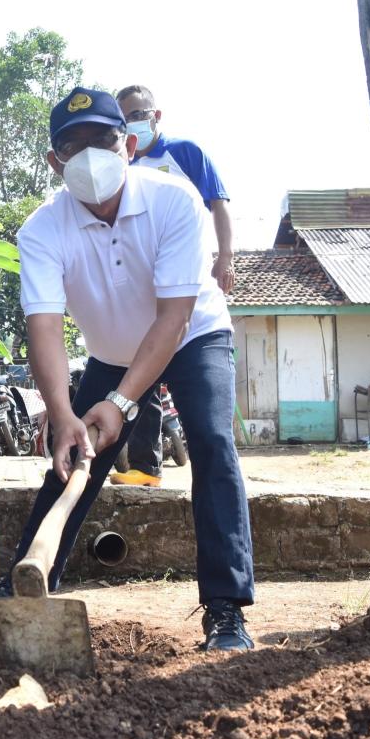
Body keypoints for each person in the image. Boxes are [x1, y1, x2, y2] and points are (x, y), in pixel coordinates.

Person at [0, 87, 256, 651]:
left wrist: (121, 403)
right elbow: (45, 329)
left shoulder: (175, 201)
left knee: (212, 442)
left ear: (127, 144)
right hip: (111, 352)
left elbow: (173, 318)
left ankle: (226, 609)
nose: (88, 158)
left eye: (101, 141)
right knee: (73, 451)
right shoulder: (41, 230)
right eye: (70, 148)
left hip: (193, 336)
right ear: (55, 163)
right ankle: (24, 583)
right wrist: (61, 413)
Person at [111, 84, 234, 487]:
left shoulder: (184, 153)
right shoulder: (120, 167)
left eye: (137, 114)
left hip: (190, 301)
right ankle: (145, 468)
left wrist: (226, 258)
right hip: (141, 302)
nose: (132, 123)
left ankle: (214, 481)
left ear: (156, 116)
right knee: (138, 387)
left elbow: (218, 202)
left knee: (207, 421)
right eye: (123, 116)